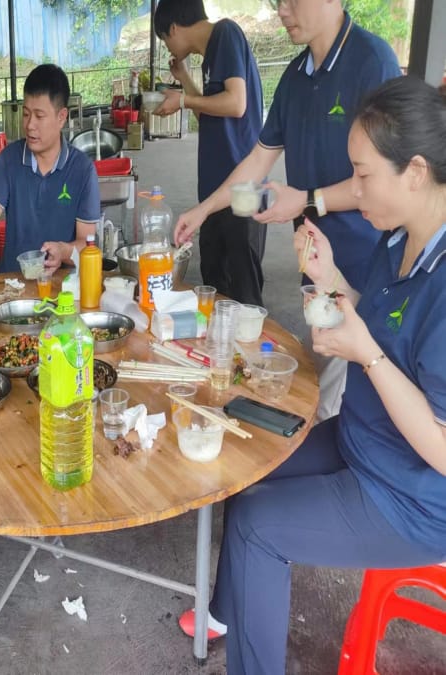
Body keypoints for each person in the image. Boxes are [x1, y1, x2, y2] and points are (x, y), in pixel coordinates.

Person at [179, 76, 446, 675]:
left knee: (257, 527)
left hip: (412, 497)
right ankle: (232, 608)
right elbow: (373, 317)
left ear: (415, 171)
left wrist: (366, 356)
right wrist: (330, 282)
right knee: (243, 465)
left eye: (363, 174)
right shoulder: (400, 235)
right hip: (364, 443)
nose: (352, 190)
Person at [172, 0, 400, 421]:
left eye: (294, 0)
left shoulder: (372, 62)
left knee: (367, 385)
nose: (282, 10)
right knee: (326, 382)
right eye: (278, 1)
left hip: (369, 262)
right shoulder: (295, 78)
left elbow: (389, 182)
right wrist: (203, 210)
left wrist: (308, 199)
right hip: (313, 262)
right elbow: (259, 160)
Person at [152, 0, 265, 306]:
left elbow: (236, 103)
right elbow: (212, 119)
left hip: (240, 184)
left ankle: (252, 348)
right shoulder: (209, 57)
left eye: (165, 39)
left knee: (242, 285)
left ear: (173, 27)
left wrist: (183, 101)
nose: (169, 46)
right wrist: (186, 81)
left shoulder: (225, 34)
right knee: (215, 280)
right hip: (216, 189)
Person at [0, 64, 101, 273]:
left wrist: (64, 251)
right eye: (26, 114)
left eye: (39, 116)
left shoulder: (82, 170)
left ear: (61, 117)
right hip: (13, 285)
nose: (30, 125)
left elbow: (87, 245)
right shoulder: (9, 160)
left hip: (62, 289)